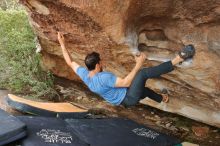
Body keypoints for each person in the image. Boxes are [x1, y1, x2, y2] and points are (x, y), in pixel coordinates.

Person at [57, 32, 195, 107]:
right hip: (128, 97)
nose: (102, 62)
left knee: (144, 90)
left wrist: (62, 44)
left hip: (123, 98)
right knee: (142, 74)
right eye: (101, 61)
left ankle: (163, 98)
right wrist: (138, 63)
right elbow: (125, 83)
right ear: (98, 65)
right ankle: (179, 59)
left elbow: (70, 62)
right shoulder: (103, 78)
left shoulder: (84, 74)